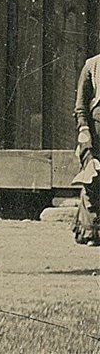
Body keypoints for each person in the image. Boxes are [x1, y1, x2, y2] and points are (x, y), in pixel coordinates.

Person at [72, 53, 100, 247]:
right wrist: (84, 130)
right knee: (93, 177)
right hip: (96, 133)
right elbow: (81, 106)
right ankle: (92, 230)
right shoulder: (92, 65)